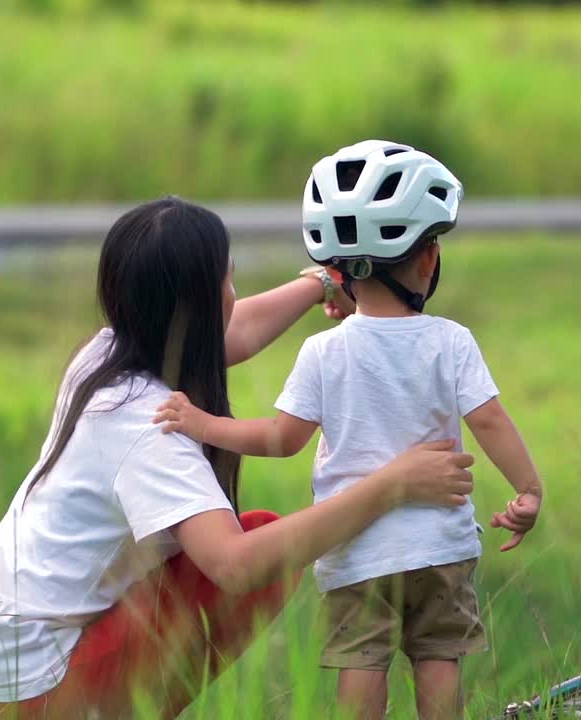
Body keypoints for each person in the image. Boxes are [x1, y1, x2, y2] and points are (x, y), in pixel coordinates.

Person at [0, 196, 478, 719]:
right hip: (18, 698)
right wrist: (392, 484)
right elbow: (236, 567)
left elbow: (233, 330)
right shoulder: (149, 428)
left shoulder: (104, 355)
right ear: (198, 303)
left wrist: (319, 284)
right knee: (257, 548)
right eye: (229, 278)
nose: (234, 291)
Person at [154, 140, 544, 720]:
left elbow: (281, 440)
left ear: (337, 271)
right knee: (440, 657)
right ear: (428, 259)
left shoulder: (322, 351)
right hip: (441, 547)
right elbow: (488, 419)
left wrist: (204, 423)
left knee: (362, 666)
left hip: (358, 551)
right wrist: (528, 490)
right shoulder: (451, 341)